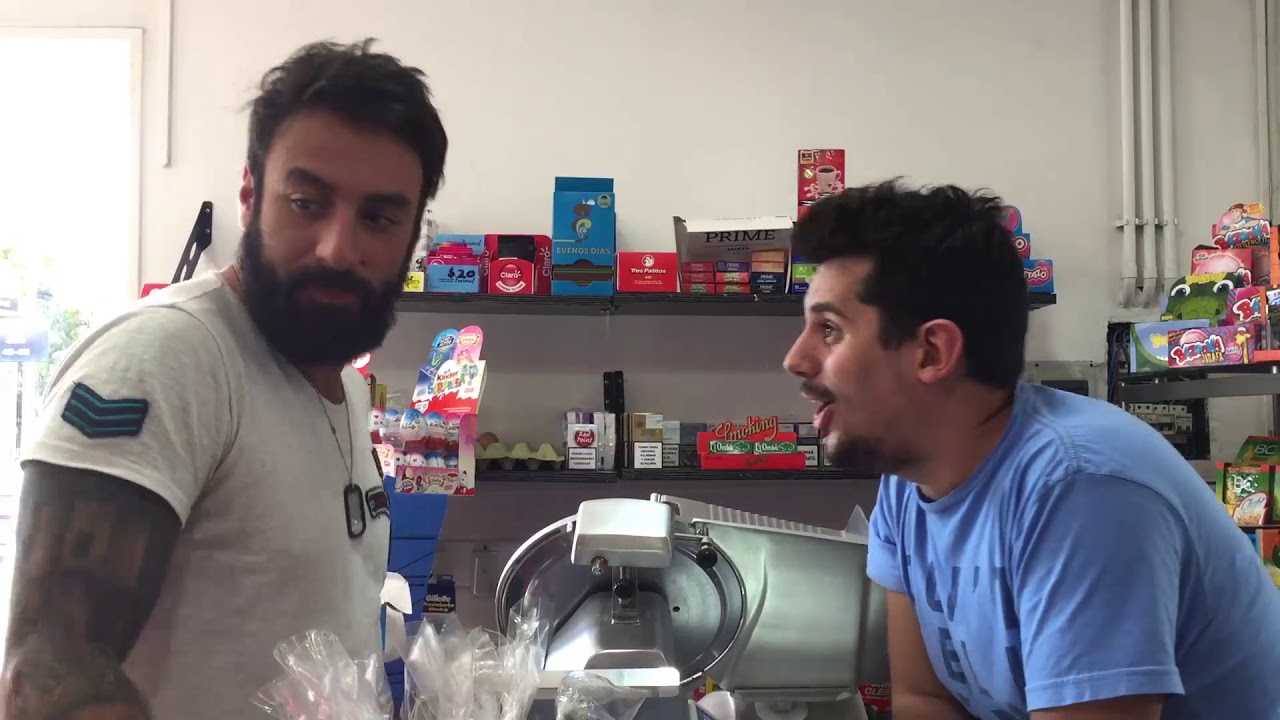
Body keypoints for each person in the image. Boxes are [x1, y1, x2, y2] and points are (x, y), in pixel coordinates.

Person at [3, 38, 447, 720]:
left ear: (413, 234)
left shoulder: (345, 386)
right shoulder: (170, 358)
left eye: (379, 218)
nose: (338, 248)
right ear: (249, 194)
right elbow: (45, 674)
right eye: (306, 202)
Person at [783, 179, 1280, 720]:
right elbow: (925, 699)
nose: (795, 360)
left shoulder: (1083, 489)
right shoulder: (910, 479)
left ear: (932, 351)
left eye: (829, 329)